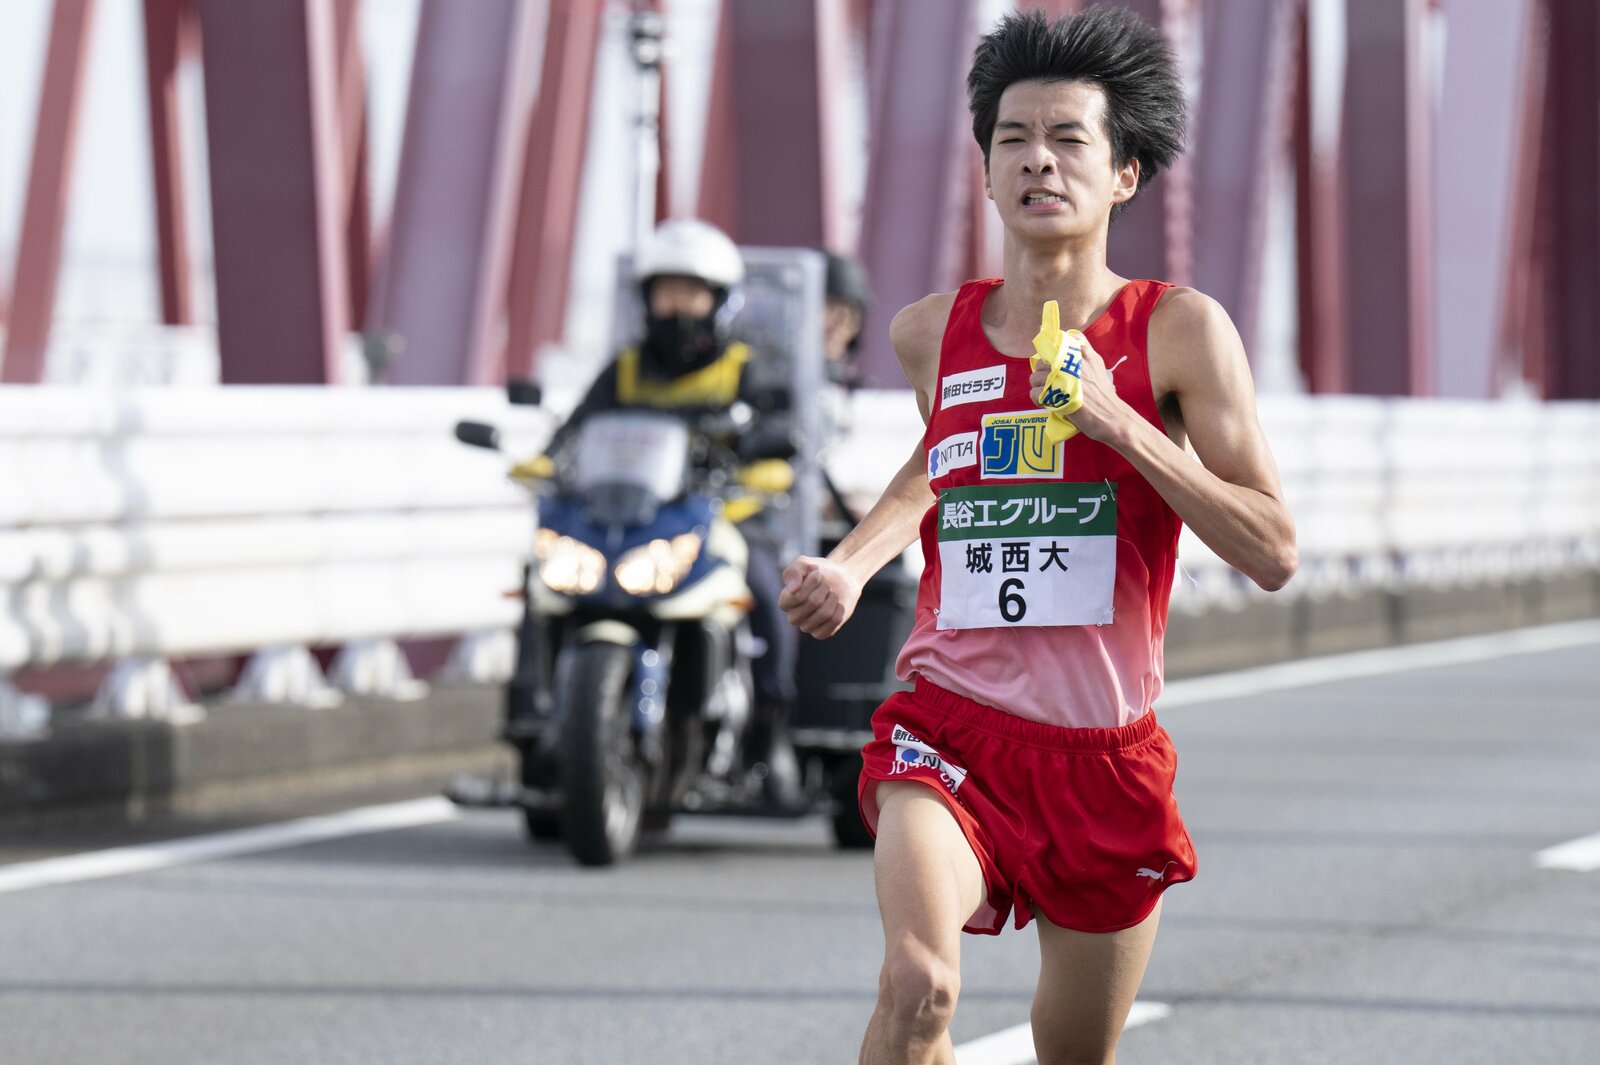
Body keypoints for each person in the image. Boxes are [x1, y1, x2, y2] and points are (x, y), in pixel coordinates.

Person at [779, 8, 1297, 1064]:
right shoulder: (931, 331)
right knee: (918, 983)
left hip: (1103, 759)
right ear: (983, 168)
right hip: (950, 726)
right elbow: (945, 458)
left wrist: (1116, 423)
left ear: (1124, 176)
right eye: (1012, 138)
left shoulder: (1179, 331)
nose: (1037, 160)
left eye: (1068, 139)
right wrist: (850, 562)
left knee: (1072, 1055)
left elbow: (1271, 550)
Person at [544, 217, 803, 804]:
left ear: (719, 300)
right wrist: (545, 460)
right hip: (636, 515)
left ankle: (769, 727)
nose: (677, 304)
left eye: (691, 291)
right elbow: (576, 430)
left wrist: (768, 456)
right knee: (543, 583)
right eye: (666, 290)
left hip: (728, 513)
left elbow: (779, 428)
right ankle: (539, 719)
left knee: (766, 592)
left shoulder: (744, 367)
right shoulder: (627, 367)